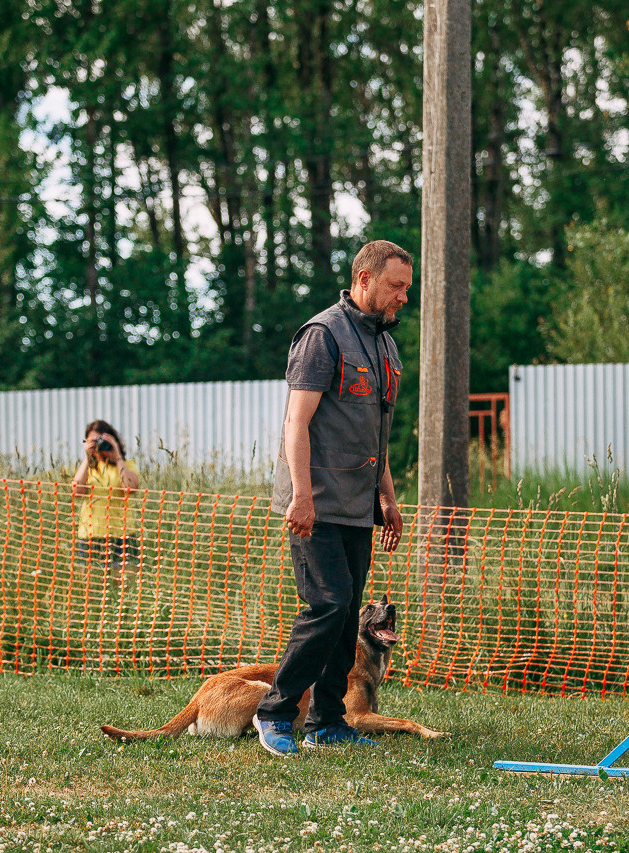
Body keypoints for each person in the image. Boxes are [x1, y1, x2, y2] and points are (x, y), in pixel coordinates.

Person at [252, 239, 411, 756]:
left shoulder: (385, 346)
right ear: (364, 279)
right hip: (315, 502)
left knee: (347, 616)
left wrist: (387, 498)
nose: (403, 297)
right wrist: (301, 496)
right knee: (328, 604)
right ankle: (274, 712)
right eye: (395, 286)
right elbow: (296, 422)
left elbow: (375, 437)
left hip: (358, 505)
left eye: (406, 288)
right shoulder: (323, 335)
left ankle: (326, 722)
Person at [72, 420, 142, 575]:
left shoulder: (127, 465)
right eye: (94, 441)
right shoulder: (88, 469)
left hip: (122, 535)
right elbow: (77, 491)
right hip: (91, 535)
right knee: (90, 583)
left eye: (102, 441)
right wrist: (87, 457)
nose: (99, 446)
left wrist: (116, 455)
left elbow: (130, 488)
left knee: (124, 582)